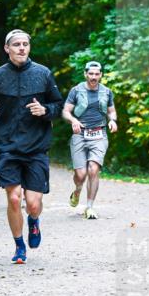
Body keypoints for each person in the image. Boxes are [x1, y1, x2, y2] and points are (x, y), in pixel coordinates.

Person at [0, 29, 64, 264]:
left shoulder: (43, 74)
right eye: (17, 44)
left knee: (33, 204)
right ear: (7, 49)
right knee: (14, 199)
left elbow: (58, 105)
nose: (22, 48)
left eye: (25, 44)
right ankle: (19, 246)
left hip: (36, 147)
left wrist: (45, 110)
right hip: (8, 147)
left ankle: (33, 222)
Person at [62, 60, 117, 219]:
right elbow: (66, 111)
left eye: (97, 74)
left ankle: (90, 207)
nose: (93, 77)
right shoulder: (76, 90)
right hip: (80, 134)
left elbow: (111, 111)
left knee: (93, 169)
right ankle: (77, 190)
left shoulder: (106, 92)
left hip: (99, 134)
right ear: (86, 74)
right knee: (80, 174)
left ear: (101, 75)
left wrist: (112, 120)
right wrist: (73, 121)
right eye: (91, 74)